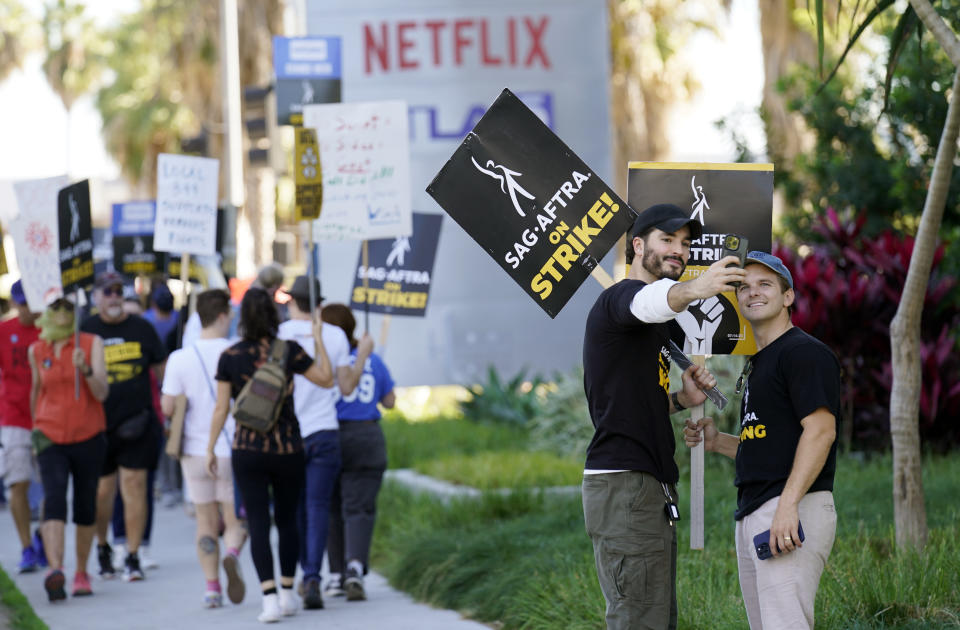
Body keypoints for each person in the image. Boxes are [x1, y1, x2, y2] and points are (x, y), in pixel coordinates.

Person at [581, 203, 746, 630]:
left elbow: (632, 398)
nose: (679, 251)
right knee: (639, 619)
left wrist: (680, 398)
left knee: (654, 618)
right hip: (625, 486)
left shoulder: (653, 326)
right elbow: (652, 299)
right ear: (638, 245)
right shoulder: (619, 299)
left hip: (645, 487)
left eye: (686, 244)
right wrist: (700, 286)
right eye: (667, 240)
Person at [683, 251, 840, 630]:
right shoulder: (762, 360)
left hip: (789, 508)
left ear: (788, 296)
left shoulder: (803, 353)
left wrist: (788, 506)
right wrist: (718, 441)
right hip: (758, 508)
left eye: (765, 284)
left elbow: (821, 431)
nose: (753, 293)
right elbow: (769, 444)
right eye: (745, 287)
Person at [206, 287, 334, 623]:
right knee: (288, 520)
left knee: (258, 522)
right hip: (288, 447)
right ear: (274, 316)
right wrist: (318, 339)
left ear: (241, 318)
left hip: (247, 450)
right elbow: (325, 379)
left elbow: (221, 408)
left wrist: (210, 448)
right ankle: (290, 591)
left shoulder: (230, 356)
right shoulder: (289, 350)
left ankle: (269, 599)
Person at [277, 277, 373, 609]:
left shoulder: (280, 335)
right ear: (318, 305)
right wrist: (362, 356)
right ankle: (313, 577)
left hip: (288, 434)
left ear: (292, 302)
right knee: (318, 507)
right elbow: (346, 388)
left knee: (296, 508)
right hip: (324, 432)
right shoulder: (332, 336)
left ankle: (304, 572)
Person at [161, 289, 247, 609]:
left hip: (193, 452)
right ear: (224, 315)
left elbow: (168, 407)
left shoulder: (180, 358)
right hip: (231, 447)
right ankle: (233, 554)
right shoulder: (238, 351)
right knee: (236, 520)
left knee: (204, 521)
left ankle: (212, 588)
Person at [80, 270, 167, 582]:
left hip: (138, 422)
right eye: (108, 292)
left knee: (134, 488)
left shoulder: (142, 328)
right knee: (102, 492)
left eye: (118, 291)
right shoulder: (86, 331)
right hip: (98, 425)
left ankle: (132, 555)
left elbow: (162, 371)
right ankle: (103, 547)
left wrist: (168, 411)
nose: (114, 297)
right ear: (97, 298)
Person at [29, 293, 109, 601]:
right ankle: (55, 570)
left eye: (68, 306)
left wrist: (86, 370)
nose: (62, 312)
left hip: (88, 434)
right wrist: (35, 431)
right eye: (56, 307)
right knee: (54, 498)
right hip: (50, 435)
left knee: (85, 505)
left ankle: (81, 572)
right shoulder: (37, 349)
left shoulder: (91, 343)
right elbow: (36, 392)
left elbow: (102, 393)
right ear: (46, 311)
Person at [320, 303, 395, 602]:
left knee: (331, 506)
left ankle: (336, 574)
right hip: (366, 436)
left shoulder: (322, 363)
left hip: (330, 434)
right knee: (359, 507)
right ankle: (354, 568)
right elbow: (389, 401)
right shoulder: (373, 361)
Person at [0, 280, 43, 573]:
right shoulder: (4, 331)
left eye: (30, 301)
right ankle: (27, 546)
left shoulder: (50, 330)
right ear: (15, 302)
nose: (27, 308)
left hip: (47, 417)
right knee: (18, 482)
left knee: (51, 487)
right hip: (14, 416)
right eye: (22, 302)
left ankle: (43, 537)